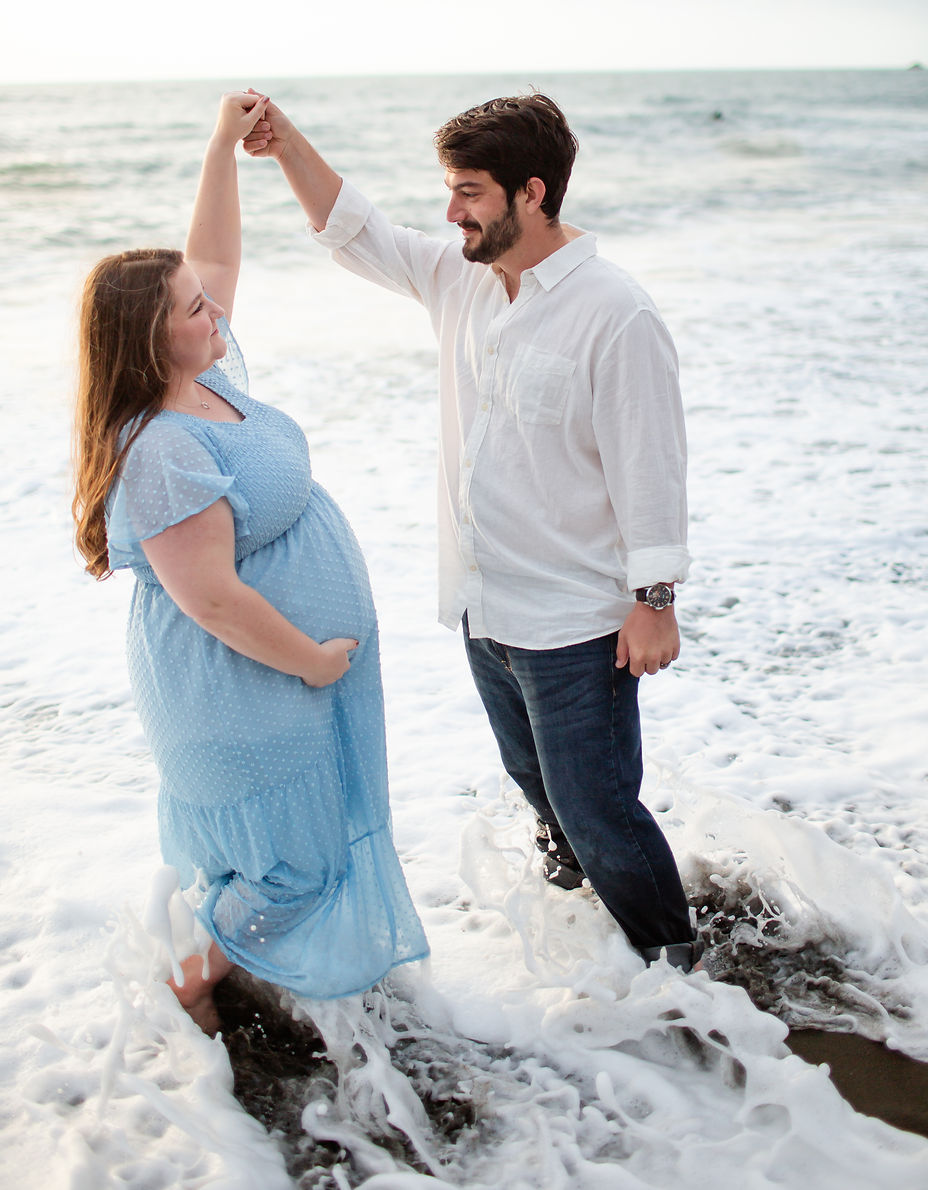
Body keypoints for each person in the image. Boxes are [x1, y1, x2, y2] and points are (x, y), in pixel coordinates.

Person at [244, 92, 701, 972]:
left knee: (599, 808)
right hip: (482, 607)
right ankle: (580, 933)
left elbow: (652, 466)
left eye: (469, 193)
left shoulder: (616, 312)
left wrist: (655, 603)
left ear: (531, 194)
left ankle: (679, 972)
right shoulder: (461, 276)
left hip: (576, 618)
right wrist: (285, 141)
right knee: (542, 793)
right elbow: (355, 229)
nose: (451, 213)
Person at [72, 92, 428, 1032]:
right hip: (242, 679)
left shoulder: (206, 375)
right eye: (194, 307)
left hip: (272, 679)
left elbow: (215, 253)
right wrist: (312, 659)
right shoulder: (158, 448)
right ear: (154, 339)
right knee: (290, 865)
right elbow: (216, 601)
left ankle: (211, 969)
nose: (215, 303)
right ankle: (182, 990)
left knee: (281, 849)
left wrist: (223, 146)